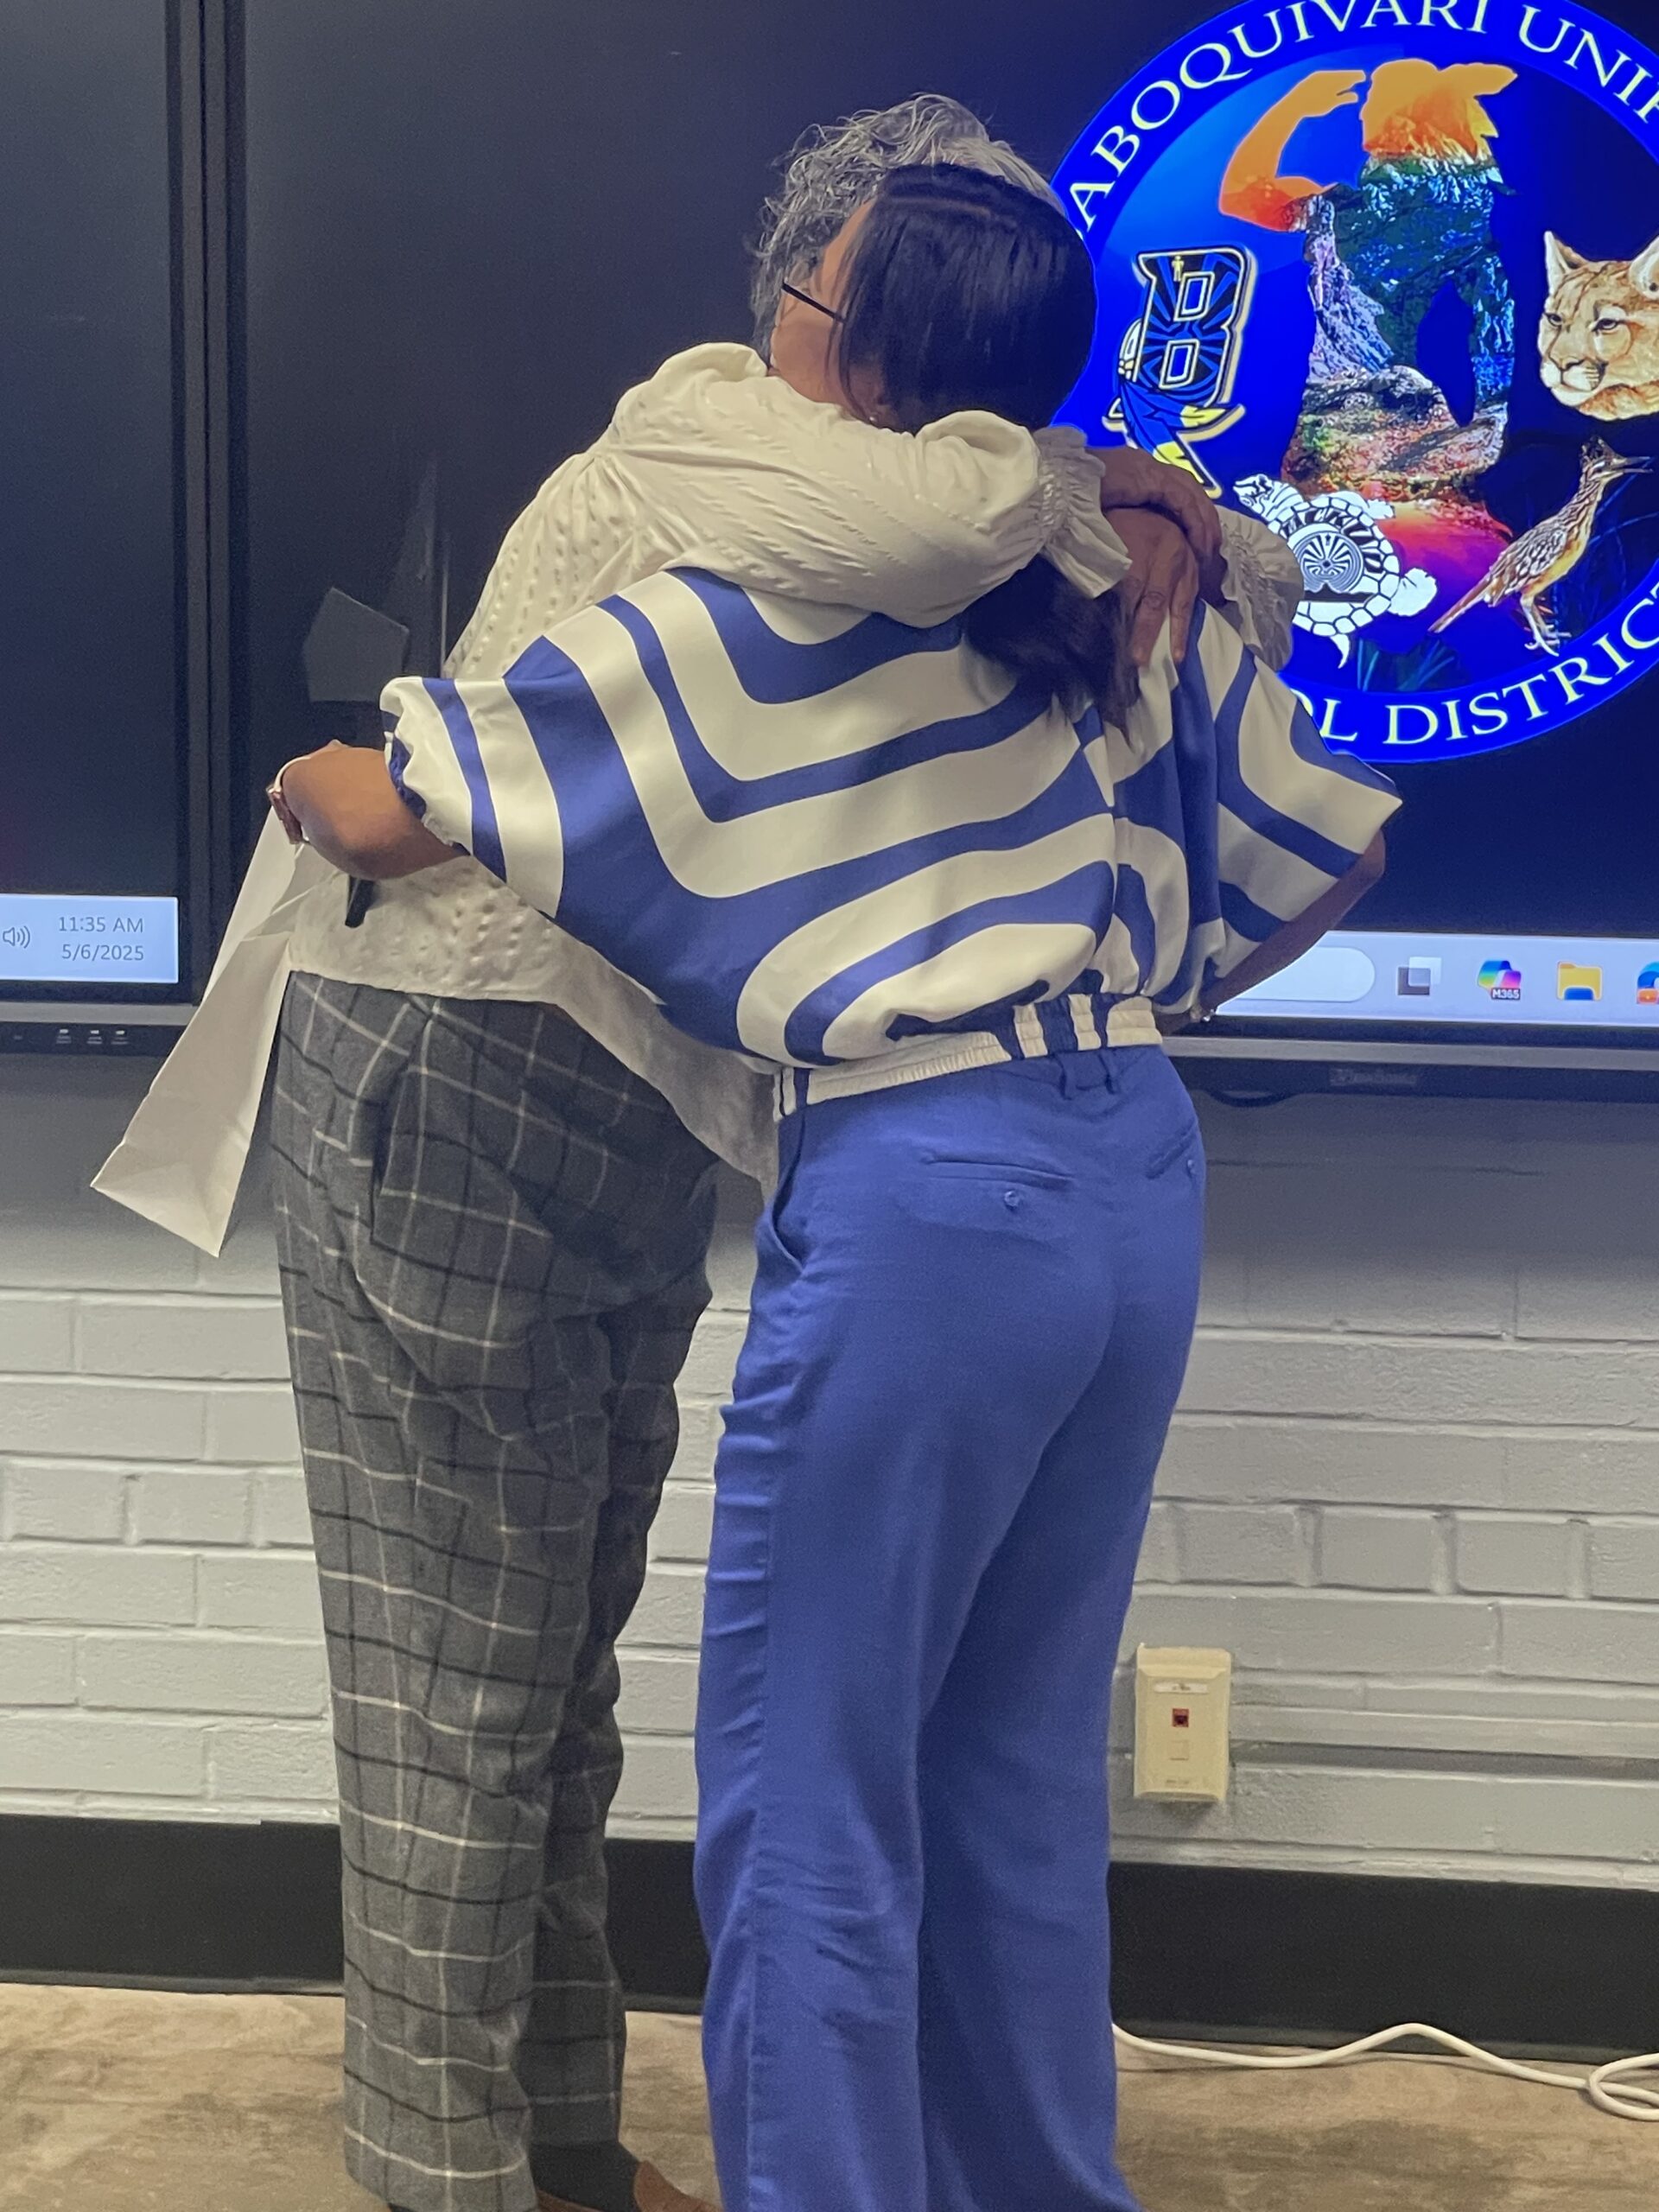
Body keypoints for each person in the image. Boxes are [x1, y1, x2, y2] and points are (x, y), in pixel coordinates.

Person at [278, 162, 1398, 2212]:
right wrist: (1135, 973)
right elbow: (1345, 855)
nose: (773, 316)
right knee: (1015, 1767)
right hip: (1135, 1166)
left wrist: (308, 771)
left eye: (807, 293)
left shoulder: (754, 602)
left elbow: (383, 806)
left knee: (811, 1795)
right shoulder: (1126, 580)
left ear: (860, 360)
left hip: (928, 1186)